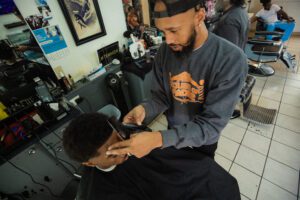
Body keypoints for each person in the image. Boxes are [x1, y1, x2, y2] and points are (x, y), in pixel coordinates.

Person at [106, 0, 248, 159]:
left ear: (199, 17)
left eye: (174, 30)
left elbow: (211, 125)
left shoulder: (230, 60)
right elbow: (161, 97)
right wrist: (144, 109)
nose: (168, 40)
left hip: (202, 143)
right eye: (163, 31)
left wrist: (159, 139)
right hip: (172, 133)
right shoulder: (164, 52)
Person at [63, 112, 241, 199]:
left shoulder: (136, 137)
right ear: (89, 164)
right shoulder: (94, 193)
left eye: (120, 139)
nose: (124, 151)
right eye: (112, 155)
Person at [212, 0, 249, 119]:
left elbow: (227, 56)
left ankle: (223, 112)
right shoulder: (241, 12)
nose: (215, 1)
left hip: (229, 71)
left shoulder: (228, 21)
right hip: (239, 63)